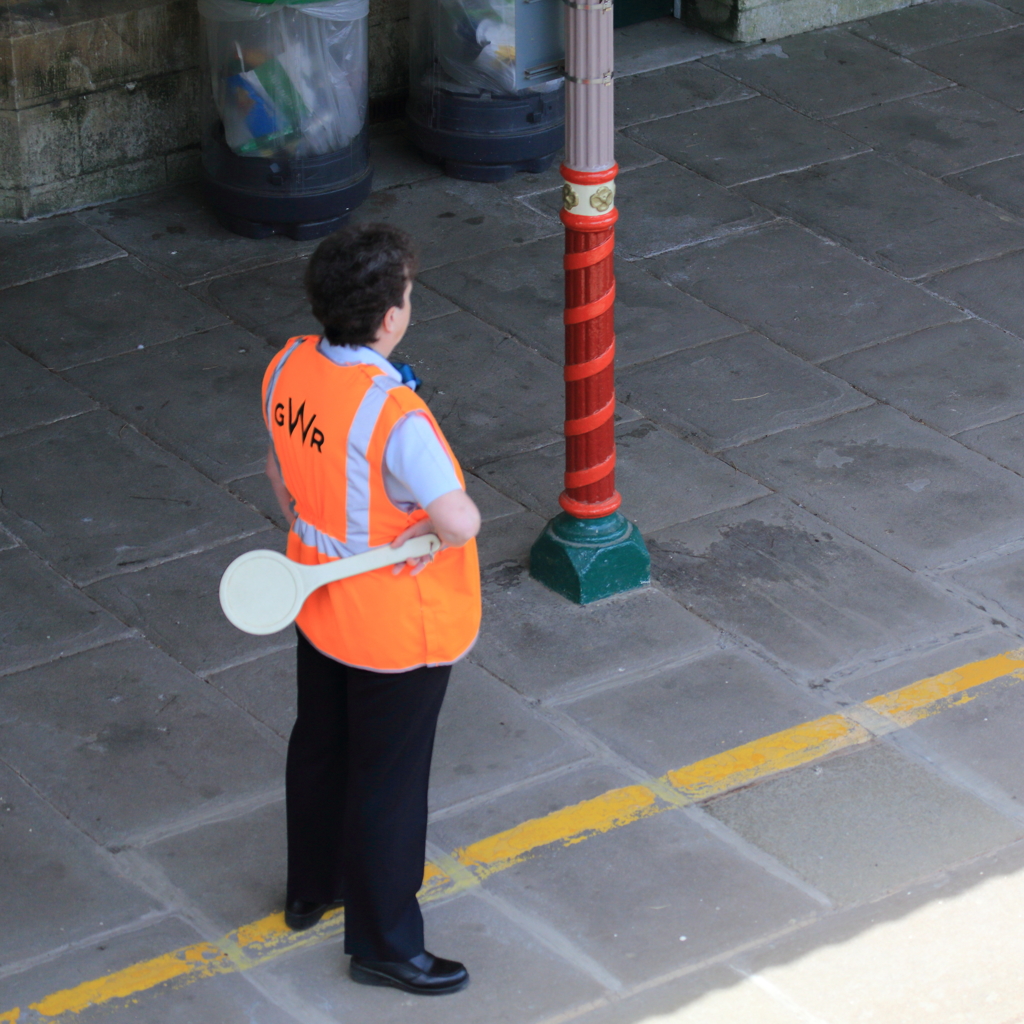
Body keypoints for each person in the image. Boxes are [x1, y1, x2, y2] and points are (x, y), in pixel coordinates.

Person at [261, 223, 482, 996]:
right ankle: (387, 943)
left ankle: (310, 887)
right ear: (389, 317)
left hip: (316, 598)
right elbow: (461, 521)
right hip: (394, 627)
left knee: (319, 744)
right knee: (389, 780)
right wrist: (422, 528)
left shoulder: (288, 366)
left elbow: (280, 472)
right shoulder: (396, 416)